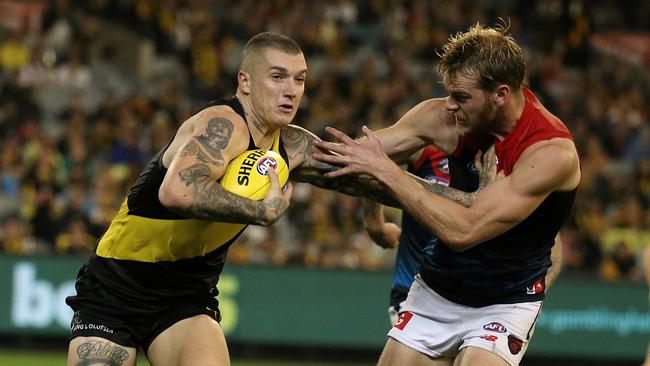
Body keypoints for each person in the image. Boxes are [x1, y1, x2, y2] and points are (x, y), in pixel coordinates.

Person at [64, 31, 362, 366]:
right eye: (277, 77)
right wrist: (260, 211)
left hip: (186, 296)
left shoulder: (291, 146)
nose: (291, 90)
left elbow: (367, 174)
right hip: (116, 288)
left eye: (300, 80)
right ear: (245, 81)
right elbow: (177, 191)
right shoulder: (222, 123)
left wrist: (381, 209)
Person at [313, 23, 580, 366]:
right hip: (438, 290)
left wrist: (387, 170)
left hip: (505, 302)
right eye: (450, 93)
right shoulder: (441, 117)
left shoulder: (549, 152)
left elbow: (463, 231)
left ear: (500, 94)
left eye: (462, 97)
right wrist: (280, 157)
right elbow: (348, 159)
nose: (450, 105)